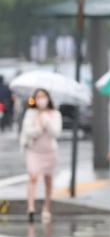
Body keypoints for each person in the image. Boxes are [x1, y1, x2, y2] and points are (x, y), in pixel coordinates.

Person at [19, 89, 62, 223]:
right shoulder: (30, 113)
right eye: (38, 97)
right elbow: (27, 131)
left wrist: (46, 121)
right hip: (34, 150)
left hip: (49, 151)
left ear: (48, 98)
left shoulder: (55, 114)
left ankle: (46, 207)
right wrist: (39, 129)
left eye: (43, 96)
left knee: (48, 179)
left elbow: (56, 133)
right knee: (32, 176)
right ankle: (30, 207)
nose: (41, 99)